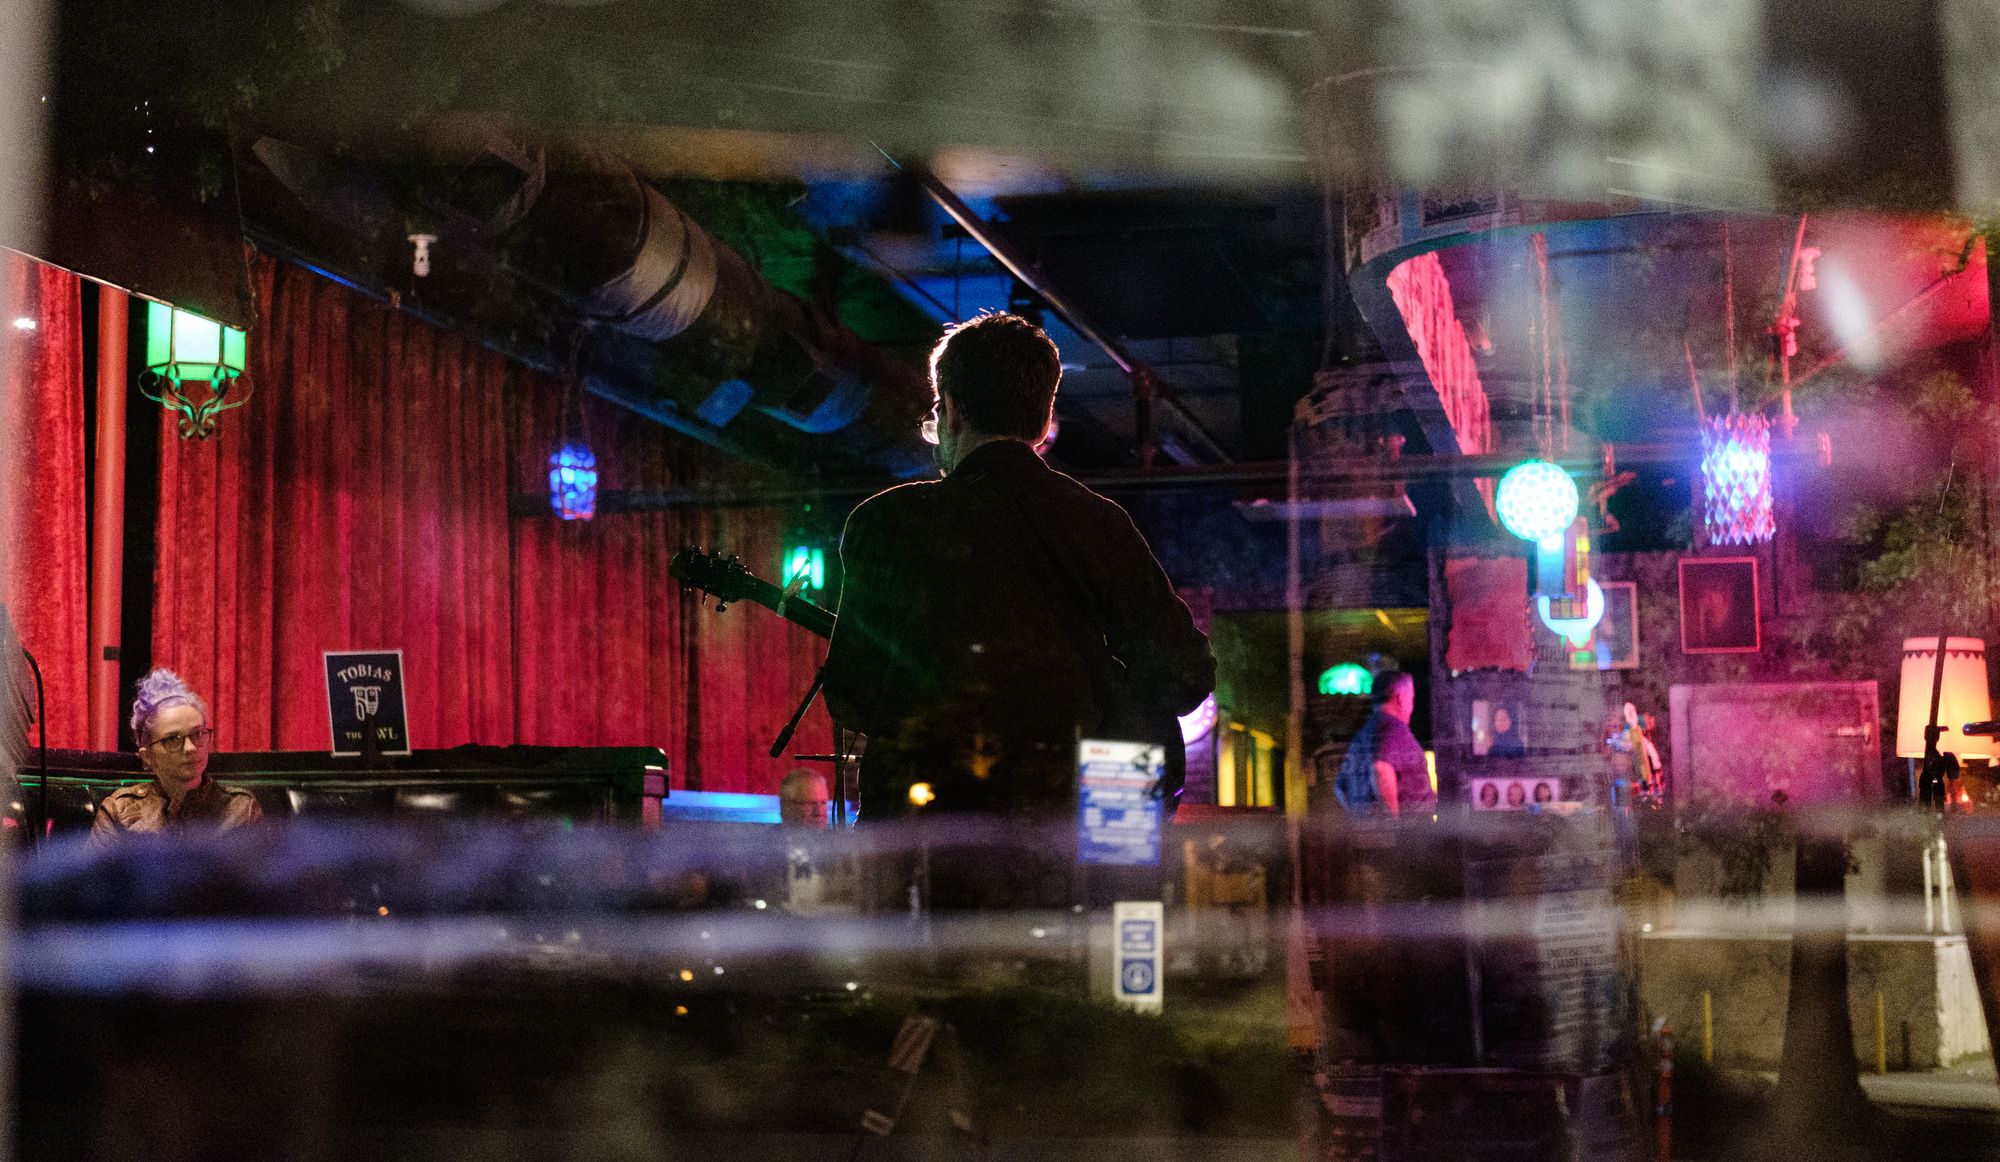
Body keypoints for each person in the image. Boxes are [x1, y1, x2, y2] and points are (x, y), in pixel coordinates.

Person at [823, 312, 1214, 824]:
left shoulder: (885, 522)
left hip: (926, 844)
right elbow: (1186, 675)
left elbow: (854, 694)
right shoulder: (1100, 524)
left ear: (953, 411)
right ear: (1043, 418)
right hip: (1072, 844)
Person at [91, 669, 263, 845]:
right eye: (172, 739)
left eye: (197, 734)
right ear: (148, 756)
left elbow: (261, 872)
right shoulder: (119, 811)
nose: (190, 748)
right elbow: (97, 873)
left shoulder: (241, 808)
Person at [1330, 671, 1434, 817]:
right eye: (1411, 699)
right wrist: (1392, 825)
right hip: (1409, 835)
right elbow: (1380, 768)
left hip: (1374, 836)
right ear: (1400, 697)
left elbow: (1340, 788)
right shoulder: (1395, 729)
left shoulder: (1361, 736)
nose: (1411, 706)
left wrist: (1363, 823)